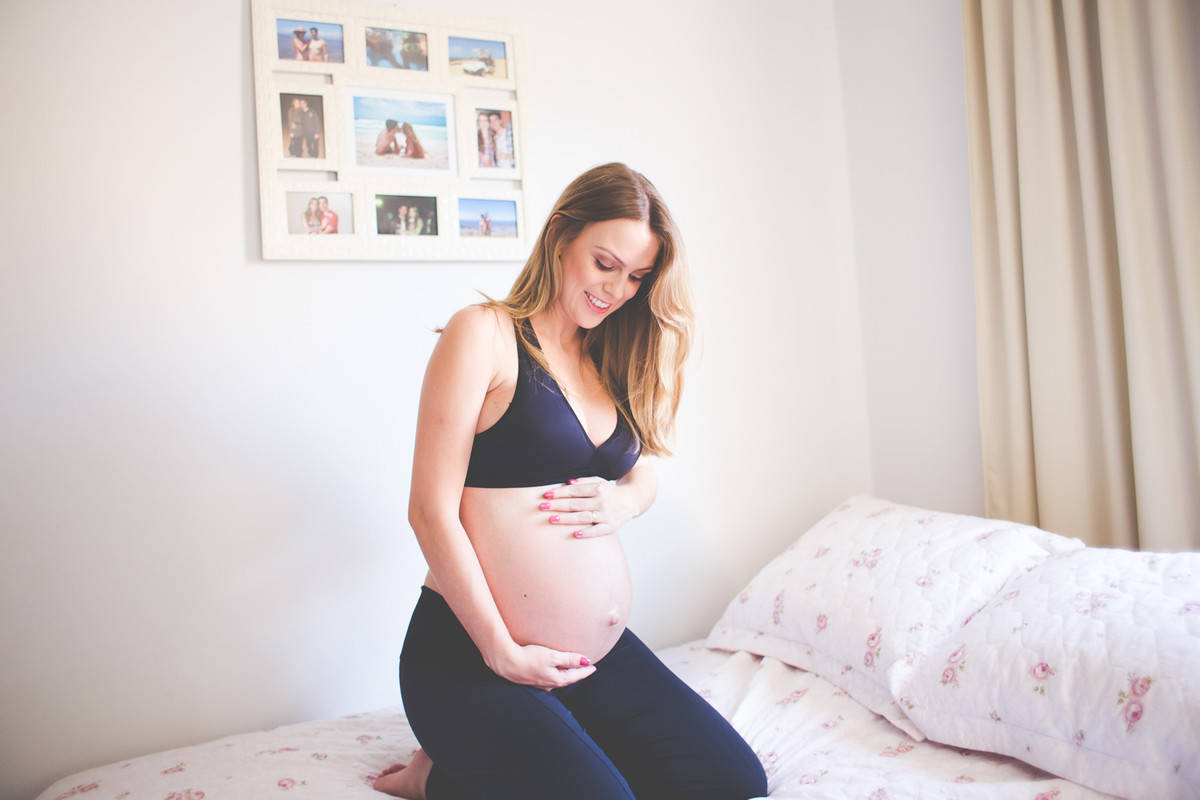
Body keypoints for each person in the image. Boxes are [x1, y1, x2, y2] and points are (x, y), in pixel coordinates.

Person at [372, 163, 767, 800]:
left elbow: (641, 476)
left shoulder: (604, 358)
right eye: (605, 263)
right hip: (472, 657)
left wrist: (625, 499)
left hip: (589, 663)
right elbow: (429, 511)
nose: (617, 290)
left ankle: (520, 752)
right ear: (561, 236)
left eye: (637, 276)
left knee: (732, 780)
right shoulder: (487, 335)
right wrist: (503, 651)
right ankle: (441, 779)